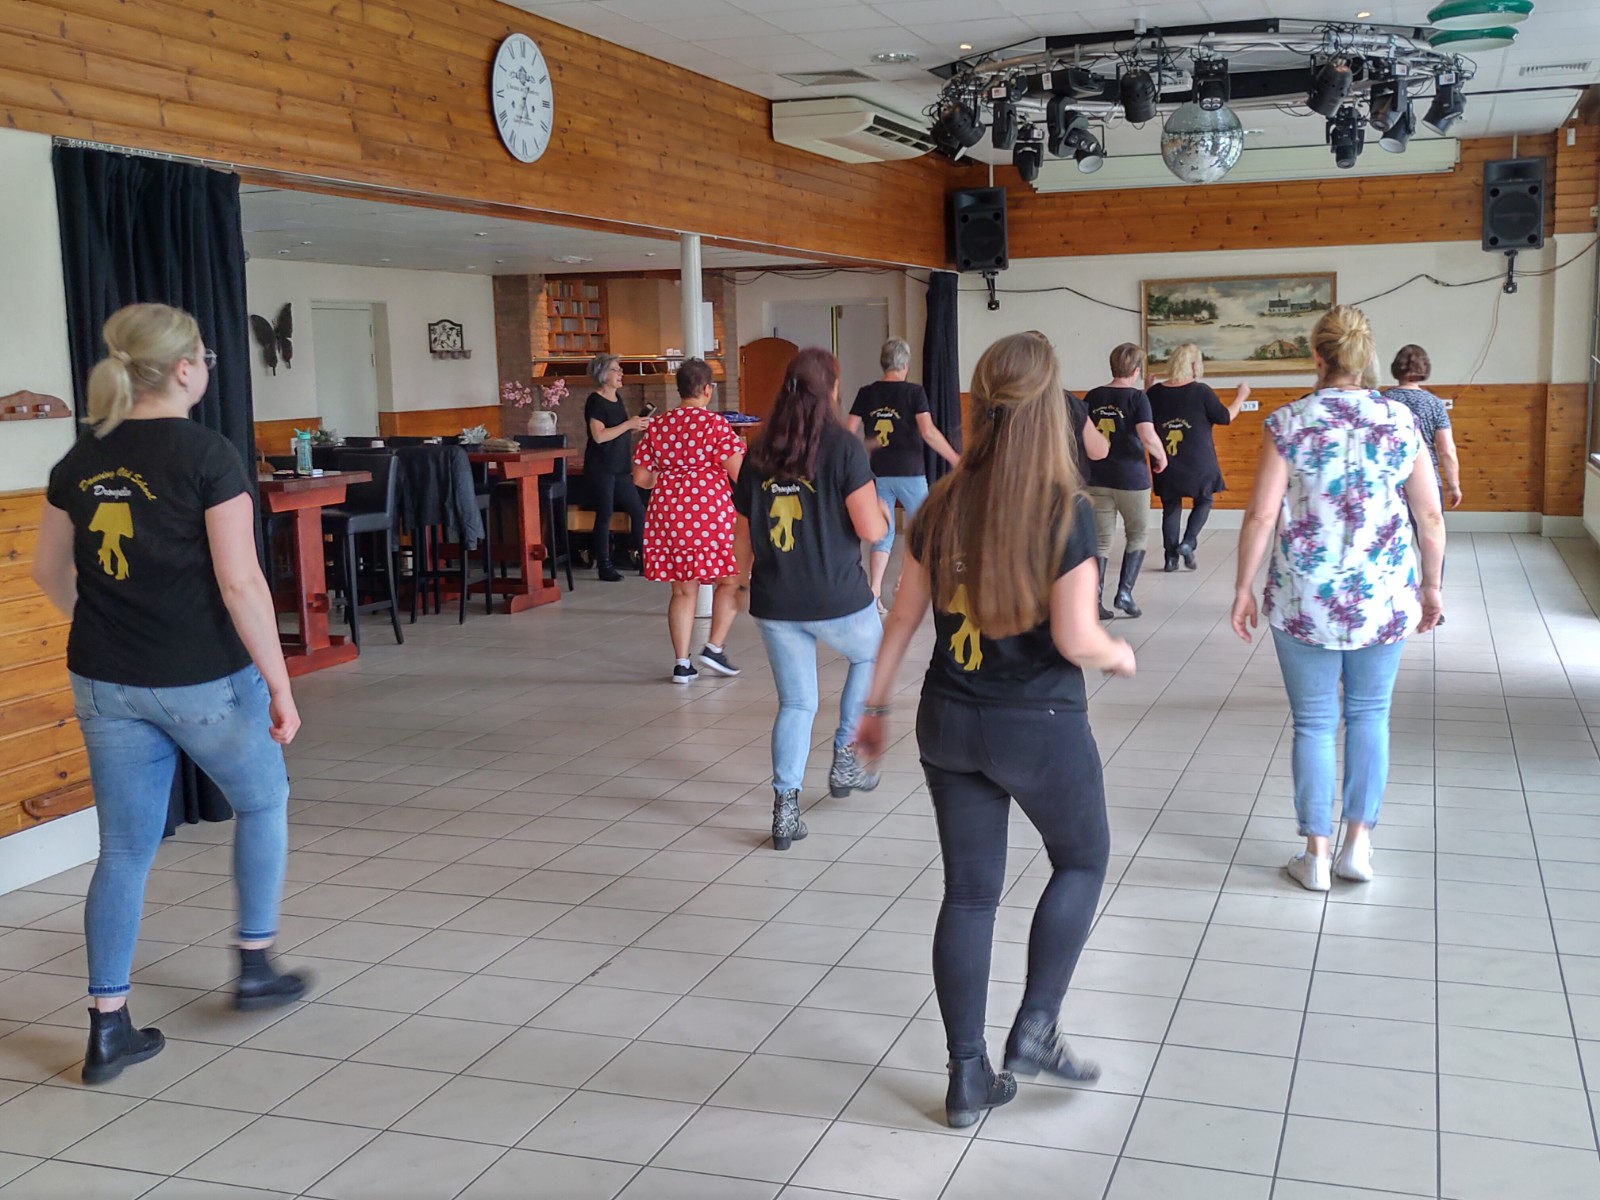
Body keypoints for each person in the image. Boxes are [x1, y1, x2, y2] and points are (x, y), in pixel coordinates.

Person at [856, 332, 1136, 1129]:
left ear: (978, 407)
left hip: (947, 720)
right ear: (1053, 408)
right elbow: (1079, 639)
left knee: (970, 895)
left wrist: (872, 712)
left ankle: (967, 1076)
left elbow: (902, 618)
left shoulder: (942, 503)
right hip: (1038, 725)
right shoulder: (1063, 512)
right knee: (1081, 861)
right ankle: (1036, 1029)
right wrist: (1118, 654)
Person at [30, 304, 308, 1086]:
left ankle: (108, 1027)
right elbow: (241, 581)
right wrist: (281, 686)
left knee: (122, 850)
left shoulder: (78, 460)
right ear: (186, 368)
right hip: (203, 680)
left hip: (103, 679)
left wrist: (109, 621)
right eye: (207, 358)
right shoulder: (207, 454)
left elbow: (47, 575)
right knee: (263, 801)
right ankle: (255, 964)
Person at [1231, 305, 1445, 892]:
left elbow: (1259, 515)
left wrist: (1243, 587)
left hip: (1305, 600)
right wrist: (1431, 586)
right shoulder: (1400, 421)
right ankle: (1359, 846)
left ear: (1317, 357)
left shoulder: (1289, 423)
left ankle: (1316, 855)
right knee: (1370, 715)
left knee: (1314, 723)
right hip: (1382, 598)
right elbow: (1429, 513)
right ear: (1366, 358)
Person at [734, 348, 889, 851]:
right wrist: (883, 511)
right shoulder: (844, 448)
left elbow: (741, 533)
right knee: (871, 655)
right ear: (833, 389)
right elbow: (869, 527)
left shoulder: (758, 450)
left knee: (797, 704)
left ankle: (785, 811)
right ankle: (846, 752)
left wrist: (738, 585)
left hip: (776, 599)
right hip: (837, 596)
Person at [632, 358, 745, 684]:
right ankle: (714, 646)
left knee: (683, 591)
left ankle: (682, 664)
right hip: (710, 512)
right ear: (707, 390)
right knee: (730, 579)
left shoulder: (658, 426)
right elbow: (739, 473)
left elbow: (640, 478)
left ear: (679, 390)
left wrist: (670, 480)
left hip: (668, 513)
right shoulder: (716, 426)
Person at [846, 337, 960, 613]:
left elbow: (848, 433)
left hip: (877, 474)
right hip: (910, 472)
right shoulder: (914, 393)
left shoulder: (866, 392)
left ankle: (874, 593)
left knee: (882, 533)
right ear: (905, 365)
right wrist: (956, 459)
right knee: (925, 527)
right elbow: (928, 432)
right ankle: (903, 581)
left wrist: (862, 451)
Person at [1145, 343, 1249, 572]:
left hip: (1166, 462)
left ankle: (1170, 558)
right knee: (1204, 500)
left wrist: (1147, 388)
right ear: (1193, 365)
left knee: (1171, 508)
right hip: (1198, 462)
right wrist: (1240, 397)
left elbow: (1144, 418)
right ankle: (1188, 542)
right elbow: (1225, 417)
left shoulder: (1154, 393)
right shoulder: (1201, 391)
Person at [1083, 343, 1167, 619]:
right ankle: (1125, 593)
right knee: (1138, 534)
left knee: (1102, 539)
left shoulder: (1093, 396)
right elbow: (1147, 435)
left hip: (1097, 475)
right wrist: (1161, 456)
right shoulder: (1138, 399)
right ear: (1136, 370)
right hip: (1131, 478)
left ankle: (1095, 600)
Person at [583, 353, 651, 582]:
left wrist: (635, 426)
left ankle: (644, 560)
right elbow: (599, 436)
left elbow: (617, 431)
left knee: (638, 510)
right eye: (616, 369)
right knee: (605, 515)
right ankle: (604, 564)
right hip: (601, 467)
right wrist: (628, 424)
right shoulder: (595, 401)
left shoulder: (618, 399)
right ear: (603, 375)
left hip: (620, 466)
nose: (621, 373)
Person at [1384, 344, 1462, 510]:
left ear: (1395, 368)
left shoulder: (1382, 401)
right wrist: (1454, 485)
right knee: (1429, 532)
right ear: (1425, 369)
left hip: (1390, 479)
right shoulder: (1434, 404)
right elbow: (1446, 450)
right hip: (1427, 480)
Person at [1023, 331, 1110, 472]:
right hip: (1063, 487)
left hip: (1014, 487)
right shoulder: (1067, 401)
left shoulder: (1000, 401)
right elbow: (1099, 451)